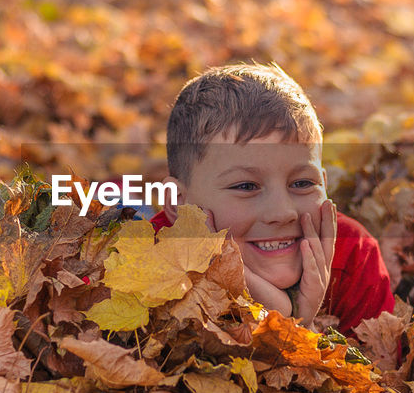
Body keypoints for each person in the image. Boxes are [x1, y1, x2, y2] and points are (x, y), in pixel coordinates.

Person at [150, 62, 395, 335]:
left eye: (302, 183)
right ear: (177, 203)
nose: (282, 212)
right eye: (246, 186)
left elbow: (379, 376)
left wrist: (301, 326)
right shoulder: (147, 262)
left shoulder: (353, 255)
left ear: (324, 186)